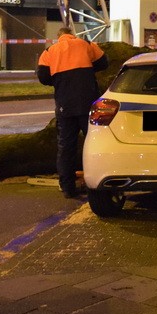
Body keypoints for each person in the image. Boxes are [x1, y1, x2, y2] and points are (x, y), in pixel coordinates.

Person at [36, 25, 109, 199]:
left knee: (66, 146)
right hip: (88, 102)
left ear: (59, 36)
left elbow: (43, 77)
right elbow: (103, 62)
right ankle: (95, 184)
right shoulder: (85, 44)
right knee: (94, 142)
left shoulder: (49, 51)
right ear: (72, 35)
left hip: (65, 105)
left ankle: (67, 187)